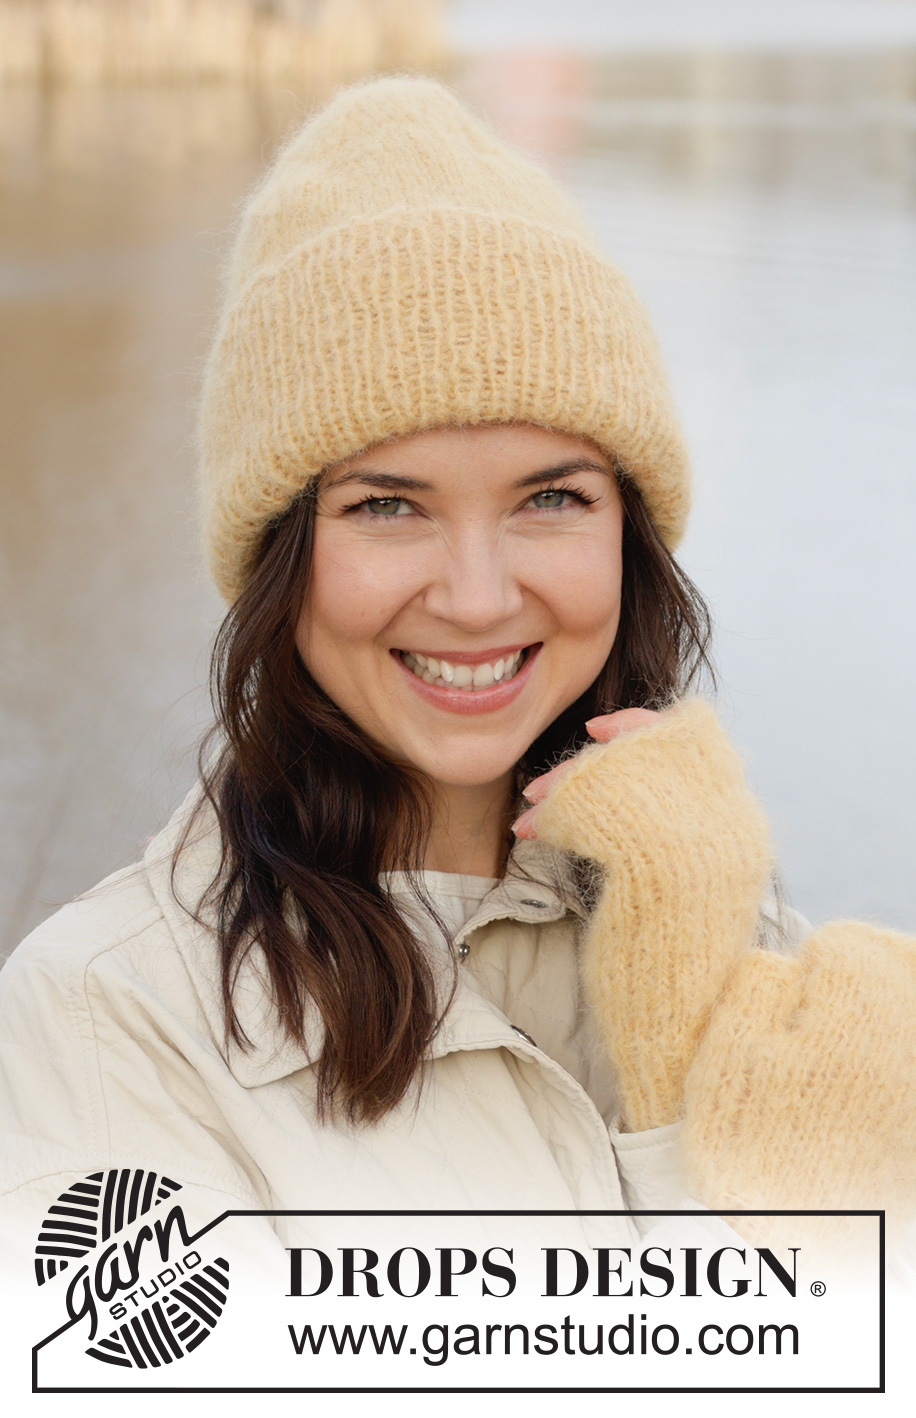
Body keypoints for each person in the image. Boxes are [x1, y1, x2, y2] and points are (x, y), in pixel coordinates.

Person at [1, 75, 914, 1287]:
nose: (477, 597)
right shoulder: (108, 1019)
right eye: (388, 505)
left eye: (551, 497)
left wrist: (695, 949)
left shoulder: (745, 945)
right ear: (280, 554)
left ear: (630, 533)